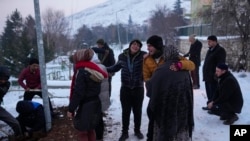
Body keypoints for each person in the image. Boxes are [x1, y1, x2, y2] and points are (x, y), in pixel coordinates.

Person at [143, 35, 195, 141]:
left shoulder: (170, 55)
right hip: (158, 94)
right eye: (147, 46)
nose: (148, 48)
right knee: (154, 120)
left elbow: (191, 64)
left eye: (150, 46)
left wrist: (180, 65)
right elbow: (146, 77)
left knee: (169, 120)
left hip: (171, 94)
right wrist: (153, 83)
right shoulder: (147, 59)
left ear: (157, 46)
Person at [107, 39, 146, 141]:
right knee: (126, 111)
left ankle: (137, 130)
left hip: (138, 88)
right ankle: (125, 132)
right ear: (130, 45)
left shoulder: (144, 56)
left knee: (137, 111)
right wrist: (103, 68)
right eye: (134, 44)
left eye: (138, 45)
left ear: (140, 48)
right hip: (125, 88)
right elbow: (115, 67)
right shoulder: (122, 56)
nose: (135, 46)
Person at [67, 48, 108, 141]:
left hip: (86, 105)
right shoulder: (93, 69)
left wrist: (71, 109)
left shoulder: (82, 71)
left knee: (82, 131)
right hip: (95, 102)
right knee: (91, 129)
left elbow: (78, 93)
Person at [202, 35, 226, 110]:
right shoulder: (210, 50)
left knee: (214, 93)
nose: (208, 43)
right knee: (209, 92)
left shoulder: (220, 50)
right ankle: (209, 105)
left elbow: (221, 64)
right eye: (208, 41)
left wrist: (216, 74)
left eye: (210, 41)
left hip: (213, 76)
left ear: (215, 41)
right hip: (207, 76)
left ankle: (214, 106)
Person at [0, 66, 23, 141]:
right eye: (1, 79)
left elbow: (2, 91)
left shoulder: (7, 84)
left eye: (5, 79)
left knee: (15, 123)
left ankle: (19, 137)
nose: (3, 81)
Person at [91, 53, 111, 141]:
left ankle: (98, 137)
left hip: (96, 98)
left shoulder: (93, 68)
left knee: (96, 120)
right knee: (99, 119)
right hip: (103, 97)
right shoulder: (102, 66)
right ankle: (100, 137)